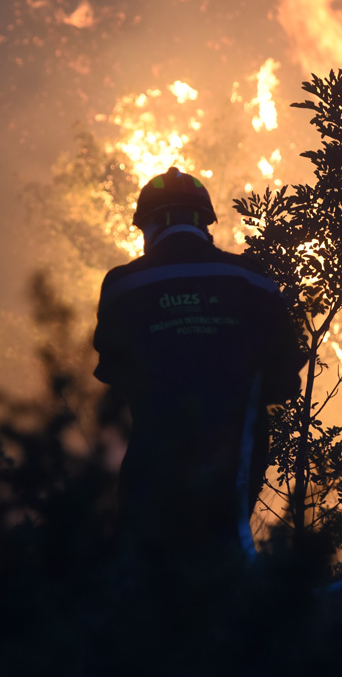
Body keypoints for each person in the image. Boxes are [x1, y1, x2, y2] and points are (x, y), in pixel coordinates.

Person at [93, 167, 302, 561]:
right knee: (224, 562)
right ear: (204, 223)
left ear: (149, 225)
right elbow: (284, 379)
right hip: (236, 459)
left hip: (155, 455)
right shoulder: (254, 280)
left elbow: (113, 373)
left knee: (141, 567)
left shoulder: (122, 286)